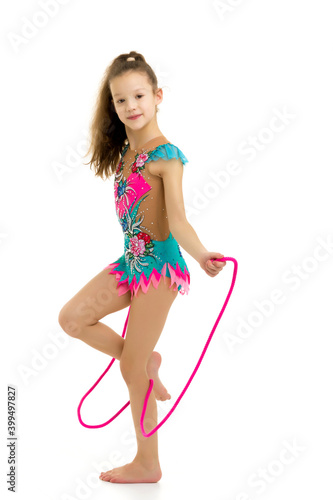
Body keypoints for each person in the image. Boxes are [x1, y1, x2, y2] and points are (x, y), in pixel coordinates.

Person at [58, 50, 226, 484]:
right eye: (120, 100)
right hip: (131, 262)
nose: (131, 106)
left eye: (139, 96)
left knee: (129, 370)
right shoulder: (124, 155)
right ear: (112, 106)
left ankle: (147, 463)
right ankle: (145, 361)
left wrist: (202, 253)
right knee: (73, 318)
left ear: (157, 96)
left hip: (160, 269)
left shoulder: (166, 156)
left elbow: (179, 219)